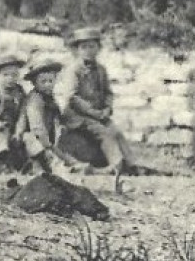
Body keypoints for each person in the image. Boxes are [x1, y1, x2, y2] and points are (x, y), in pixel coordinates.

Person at [55, 27, 141, 178]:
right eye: (84, 47)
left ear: (98, 48)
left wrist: (107, 108)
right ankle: (117, 166)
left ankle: (132, 164)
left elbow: (108, 92)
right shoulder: (73, 70)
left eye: (92, 46)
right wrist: (93, 113)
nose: (88, 50)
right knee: (104, 133)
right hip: (78, 116)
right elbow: (72, 97)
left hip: (99, 114)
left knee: (116, 132)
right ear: (77, 50)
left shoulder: (101, 69)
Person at [19, 53, 91, 175]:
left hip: (48, 137)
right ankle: (47, 167)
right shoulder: (34, 100)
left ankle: (72, 163)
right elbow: (37, 127)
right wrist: (48, 144)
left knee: (65, 142)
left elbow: (58, 118)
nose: (48, 84)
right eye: (43, 81)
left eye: (51, 81)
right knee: (36, 146)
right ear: (35, 83)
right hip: (33, 138)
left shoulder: (50, 99)